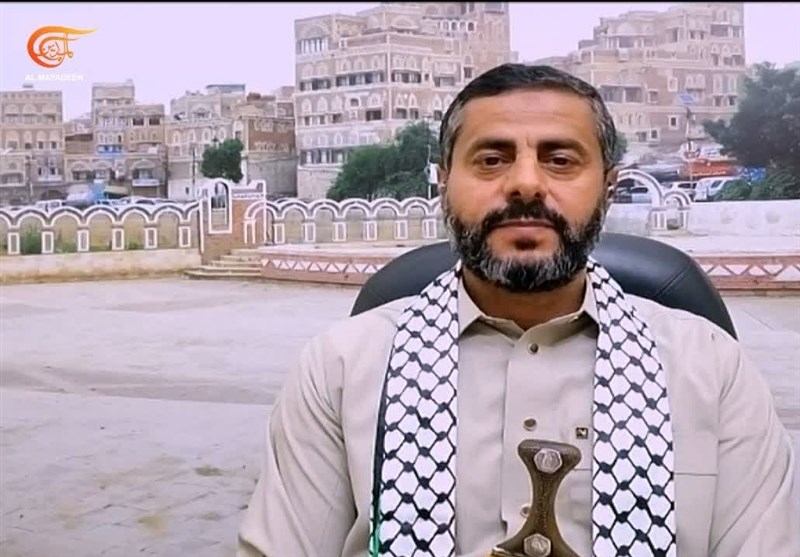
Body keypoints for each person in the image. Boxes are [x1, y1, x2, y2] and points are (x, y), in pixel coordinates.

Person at [237, 64, 800, 557]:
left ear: (608, 189)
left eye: (560, 160)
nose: (526, 184)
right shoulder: (341, 368)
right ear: (443, 185)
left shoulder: (710, 369)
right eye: (491, 160)